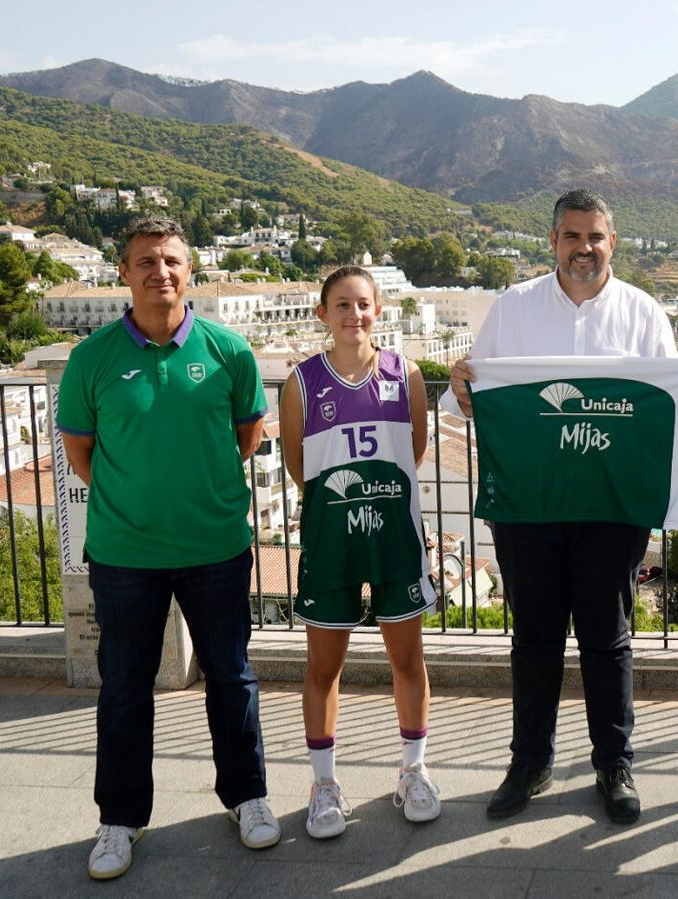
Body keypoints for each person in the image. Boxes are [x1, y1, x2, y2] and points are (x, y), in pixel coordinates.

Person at [446, 189, 678, 824]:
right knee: (534, 641)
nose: (585, 248)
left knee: (609, 640)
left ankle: (614, 764)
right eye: (572, 236)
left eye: (596, 236)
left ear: (613, 242)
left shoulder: (644, 312)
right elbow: (472, 398)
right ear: (552, 242)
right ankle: (529, 763)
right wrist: (463, 389)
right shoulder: (513, 307)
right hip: (527, 509)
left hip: (611, 510)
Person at [57, 217, 276, 881]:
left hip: (216, 546)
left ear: (191, 270)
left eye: (172, 261)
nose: (161, 272)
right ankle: (119, 818)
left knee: (231, 674)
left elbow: (247, 435)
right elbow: (80, 453)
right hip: (125, 554)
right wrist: (139, 504)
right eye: (146, 261)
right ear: (123, 272)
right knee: (123, 685)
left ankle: (249, 797)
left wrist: (195, 496)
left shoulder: (229, 349)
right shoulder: (90, 358)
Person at [280, 266, 440, 838]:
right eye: (342, 305)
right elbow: (301, 470)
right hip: (332, 542)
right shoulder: (300, 383)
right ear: (323, 313)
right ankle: (324, 785)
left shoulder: (408, 374)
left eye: (364, 304)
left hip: (395, 538)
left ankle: (413, 773)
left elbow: (412, 451)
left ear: (380, 310)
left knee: (407, 661)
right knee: (325, 666)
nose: (354, 315)